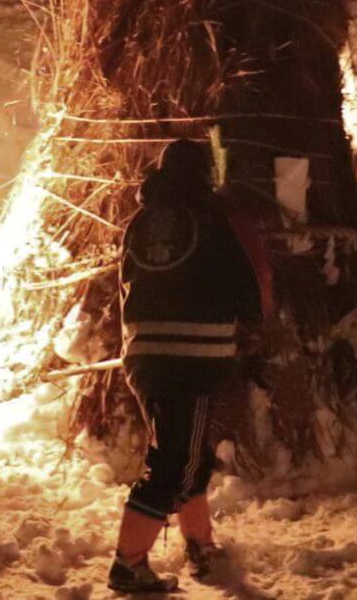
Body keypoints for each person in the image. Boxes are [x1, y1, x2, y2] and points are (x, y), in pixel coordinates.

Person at [106, 138, 265, 594]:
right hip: (194, 355)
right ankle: (128, 564)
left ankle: (199, 545)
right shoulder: (212, 217)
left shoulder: (140, 222)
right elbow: (242, 280)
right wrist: (251, 333)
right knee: (174, 463)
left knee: (186, 455)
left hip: (145, 358)